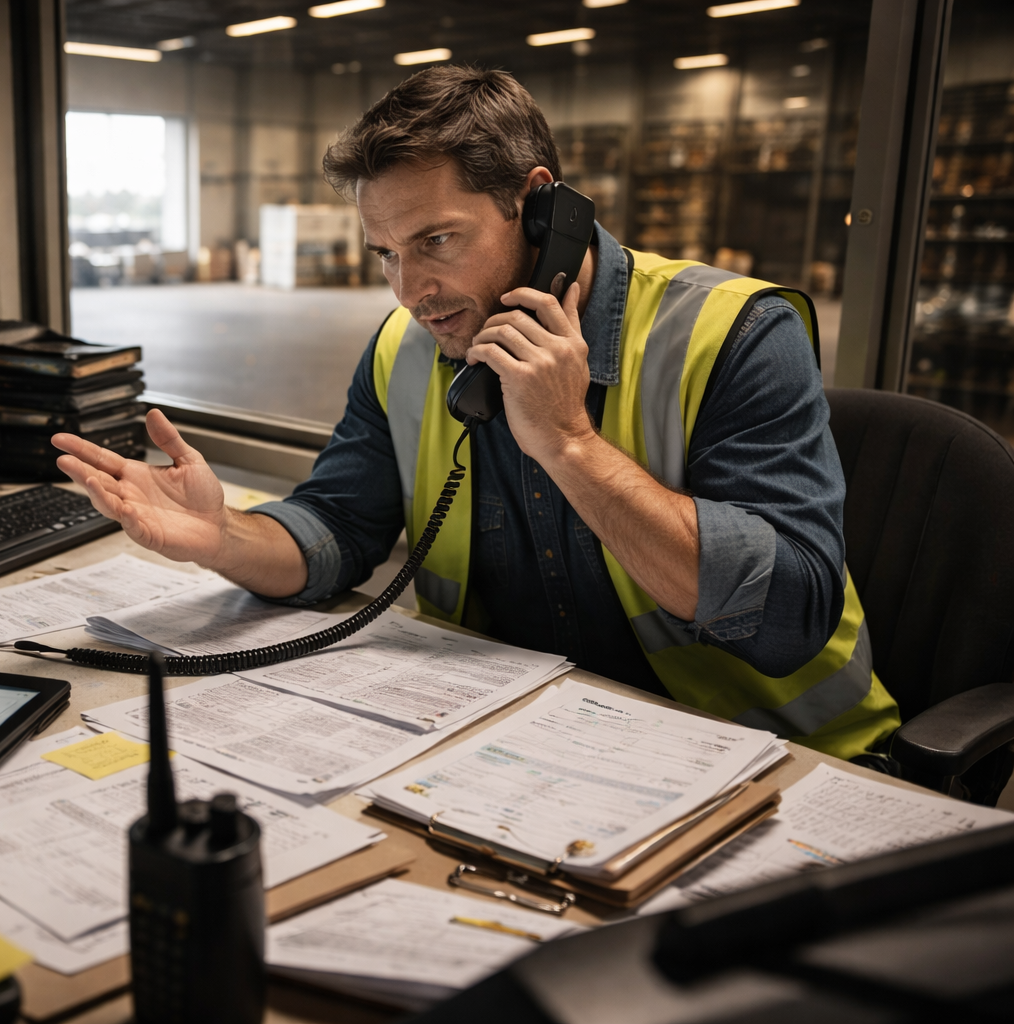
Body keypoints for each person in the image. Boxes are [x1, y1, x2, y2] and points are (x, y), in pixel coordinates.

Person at [53, 66, 899, 761]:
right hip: (525, 743)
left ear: (537, 206)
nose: (410, 292)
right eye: (386, 253)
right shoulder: (407, 349)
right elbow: (340, 527)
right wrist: (223, 539)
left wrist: (570, 443)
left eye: (437, 241)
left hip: (777, 759)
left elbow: (790, 615)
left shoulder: (736, 334)